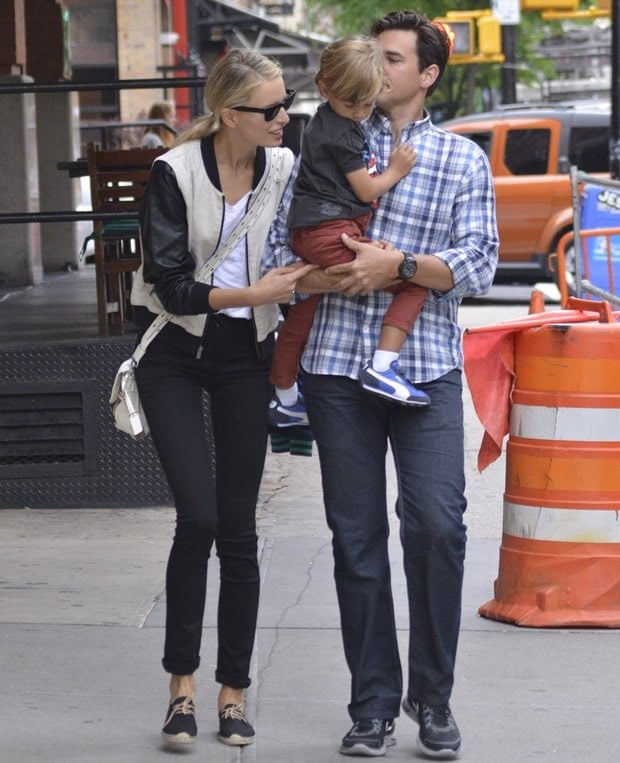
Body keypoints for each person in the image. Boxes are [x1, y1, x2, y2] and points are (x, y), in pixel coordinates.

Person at [263, 10, 499, 759]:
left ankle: (433, 698)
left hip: (424, 366)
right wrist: (339, 272)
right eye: (374, 56)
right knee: (356, 540)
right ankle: (371, 704)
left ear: (426, 75)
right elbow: (282, 251)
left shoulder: (460, 160)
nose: (381, 66)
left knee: (437, 527)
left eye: (394, 58)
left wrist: (396, 267)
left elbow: (479, 264)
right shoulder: (324, 142)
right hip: (334, 367)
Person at [130, 49, 313, 748]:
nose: (283, 117)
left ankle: (231, 693)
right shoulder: (173, 173)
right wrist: (254, 293)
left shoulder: (284, 166)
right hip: (175, 349)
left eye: (286, 102)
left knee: (239, 530)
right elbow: (171, 283)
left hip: (245, 356)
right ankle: (182, 687)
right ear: (229, 114)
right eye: (271, 108)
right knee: (198, 516)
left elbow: (307, 237)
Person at [268, 36, 428, 432]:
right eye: (351, 103)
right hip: (329, 232)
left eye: (368, 104)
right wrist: (396, 169)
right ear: (324, 88)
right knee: (414, 280)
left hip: (313, 232)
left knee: (302, 311)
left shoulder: (325, 120)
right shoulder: (342, 134)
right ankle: (383, 366)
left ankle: (285, 397)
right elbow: (366, 190)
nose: (360, 112)